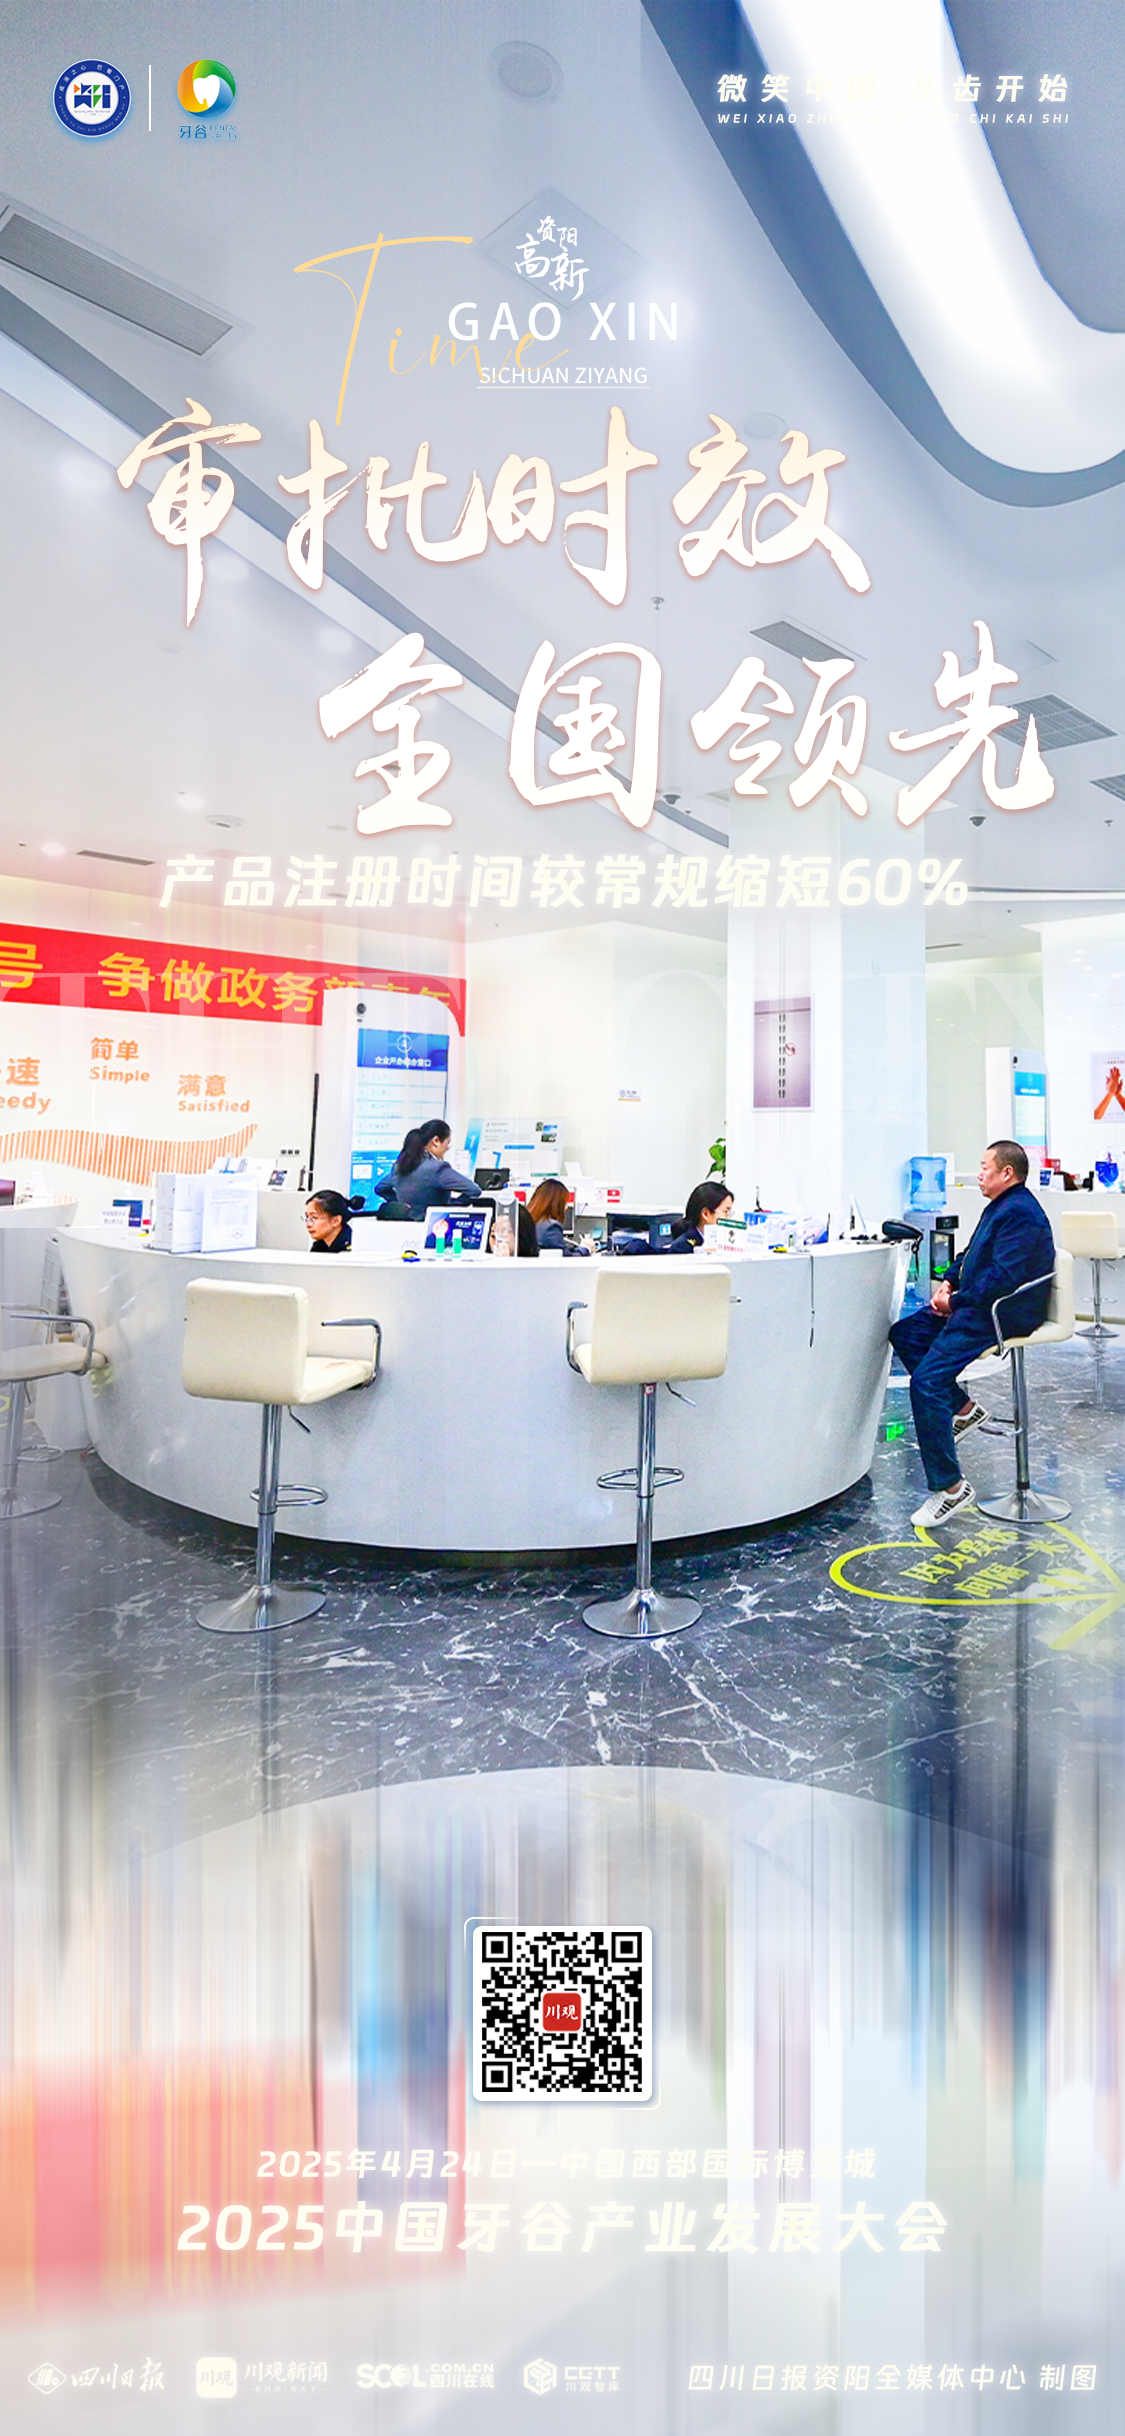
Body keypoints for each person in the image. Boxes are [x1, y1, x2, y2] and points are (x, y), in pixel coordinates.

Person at [889, 1139, 1056, 1528]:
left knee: (927, 1383)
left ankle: (950, 1489)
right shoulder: (998, 1206)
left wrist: (956, 1302)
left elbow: (1003, 1279)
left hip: (1001, 1314)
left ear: (1007, 1173)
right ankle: (964, 1410)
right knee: (907, 1334)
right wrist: (949, 1281)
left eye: (984, 1167)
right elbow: (970, 1256)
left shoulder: (1021, 1213)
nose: (979, 1174)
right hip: (975, 1305)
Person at [374, 1120, 481, 1218]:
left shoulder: (400, 1166)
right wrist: (448, 1208)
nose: (447, 1148)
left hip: (405, 1225)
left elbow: (380, 1188)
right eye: (447, 1143)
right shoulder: (438, 1168)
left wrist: (400, 1205)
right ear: (436, 1141)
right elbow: (474, 1190)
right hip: (433, 1226)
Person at [526, 1177, 588, 1255]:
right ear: (557, 1204)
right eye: (565, 1203)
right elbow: (567, 1258)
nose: (566, 1208)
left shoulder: (529, 1222)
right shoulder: (550, 1227)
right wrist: (586, 1249)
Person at [671, 1179, 734, 1250]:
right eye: (726, 1212)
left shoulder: (726, 1242)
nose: (729, 1218)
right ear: (706, 1214)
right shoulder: (682, 1247)